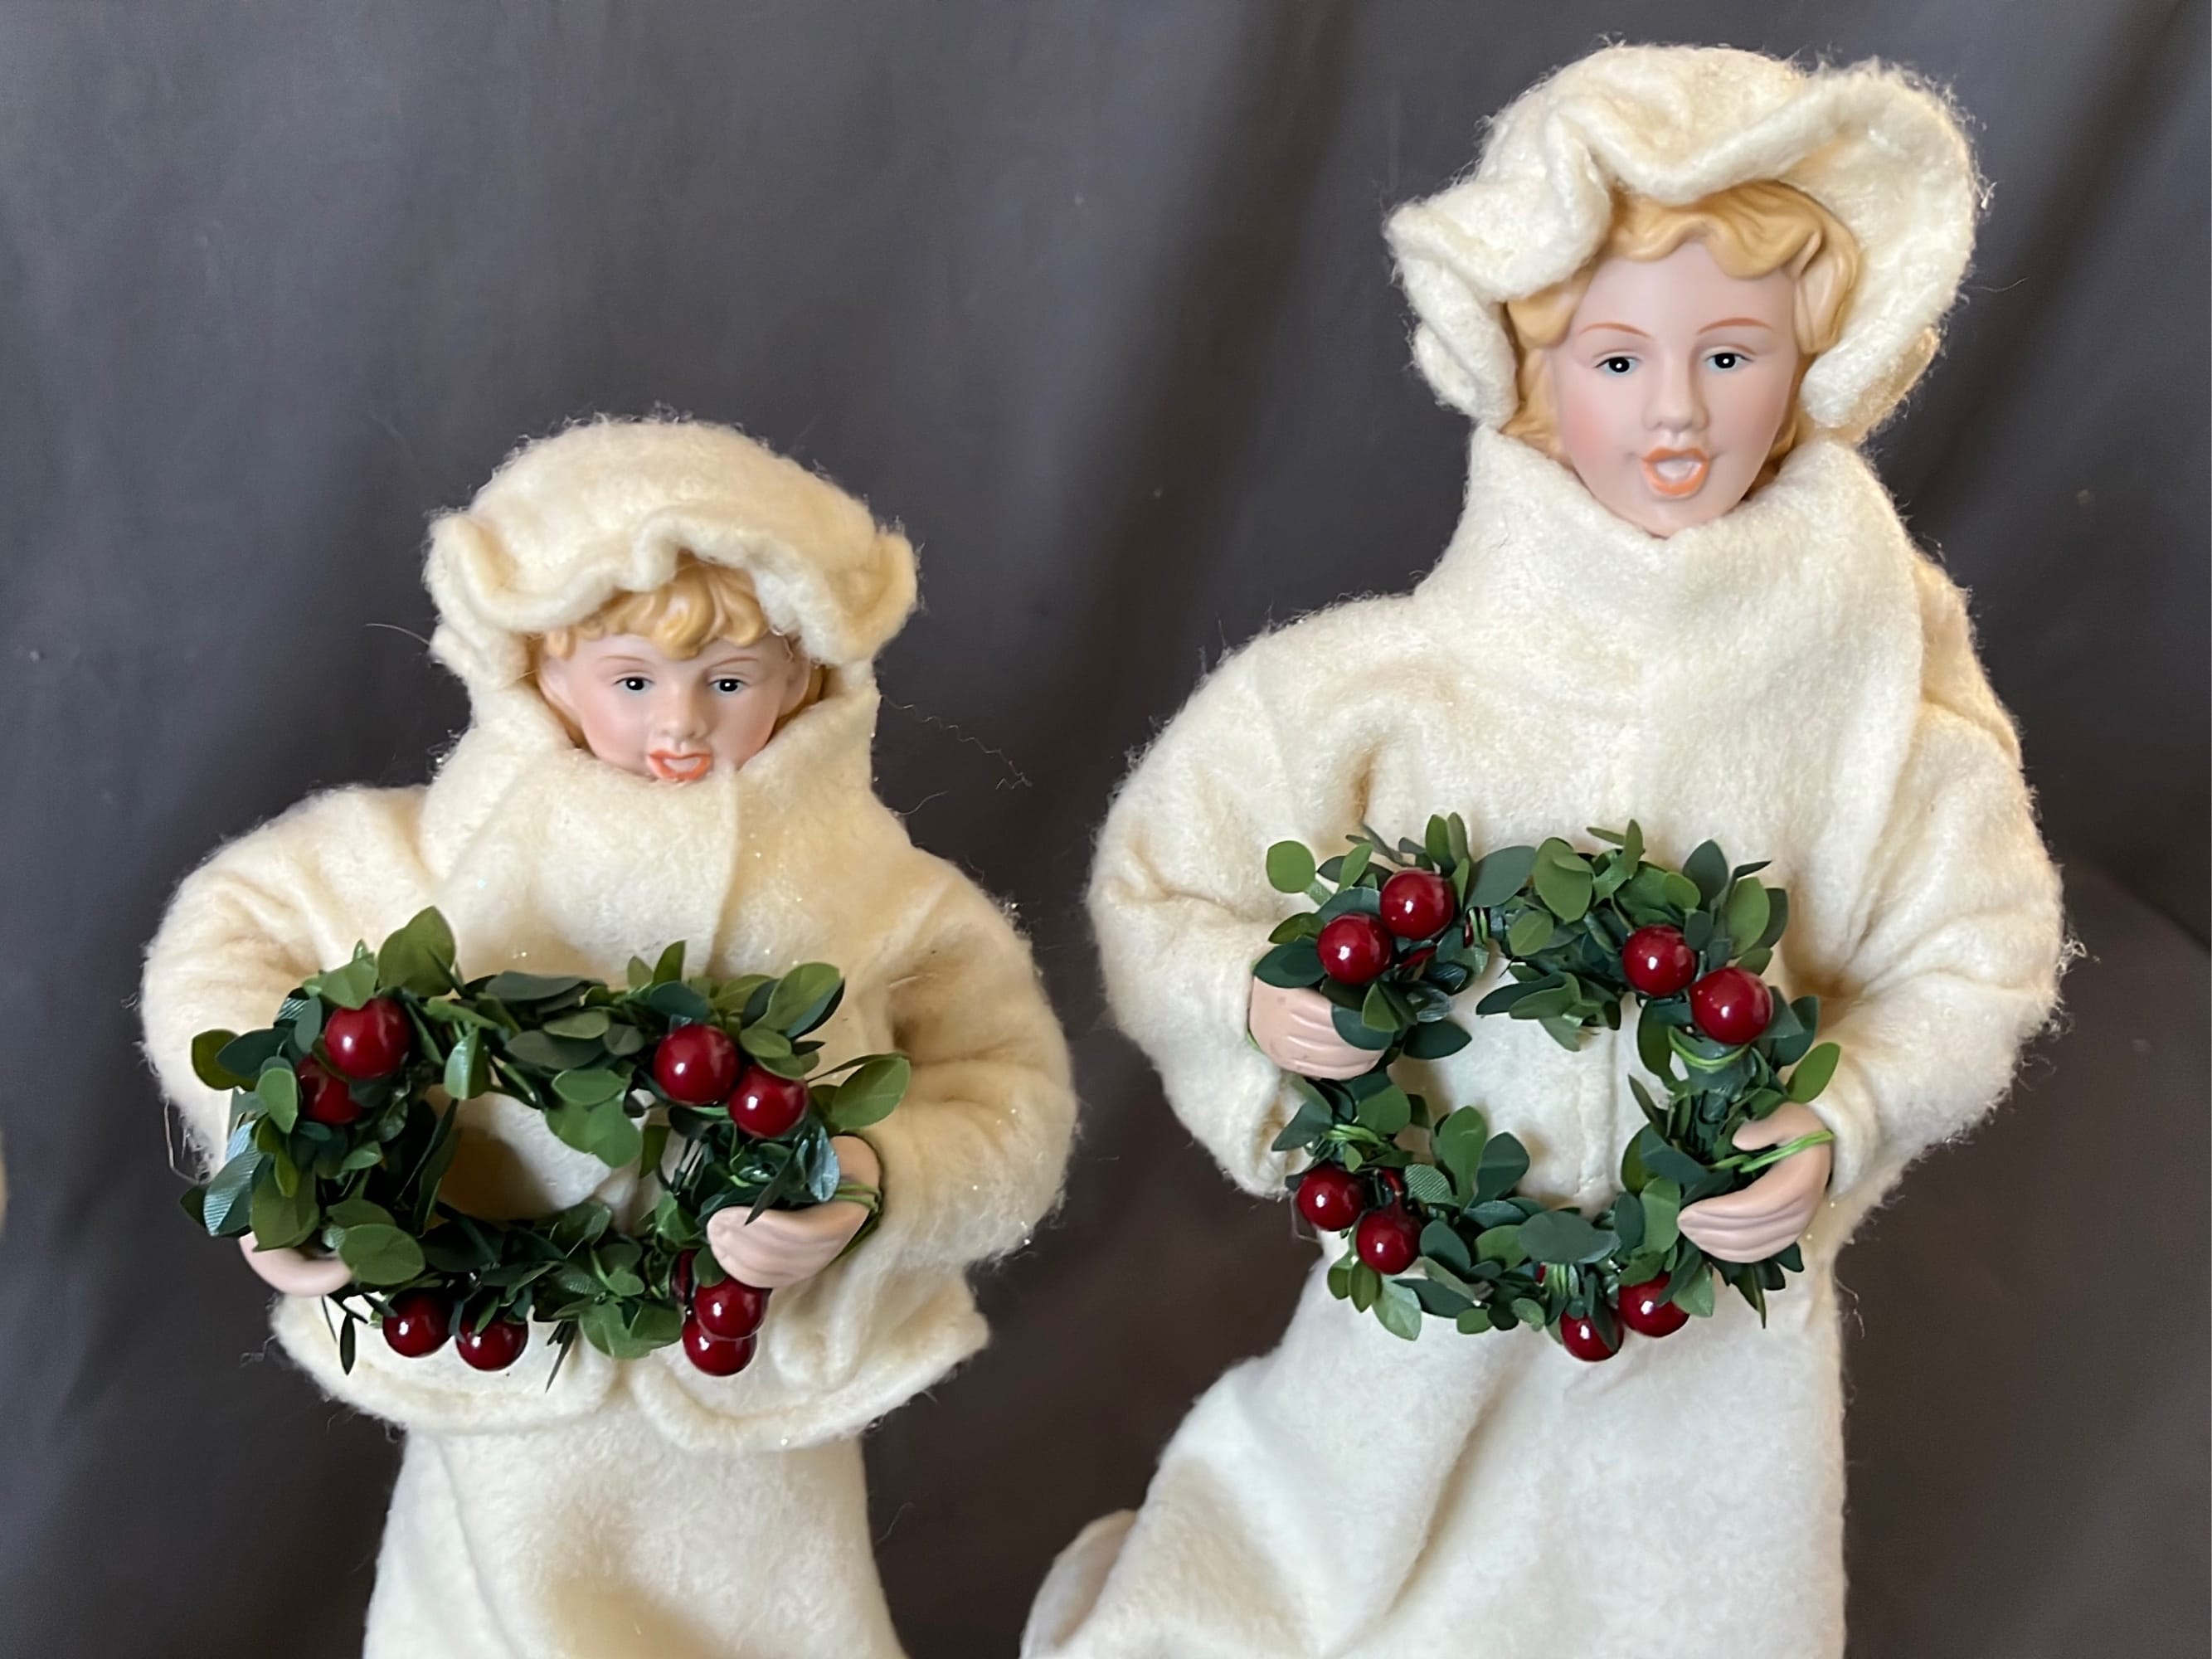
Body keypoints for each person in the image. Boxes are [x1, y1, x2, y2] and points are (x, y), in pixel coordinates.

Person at [1028, 45, 2064, 1659]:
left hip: (1706, 1309)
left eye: (1730, 353)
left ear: (1809, 363)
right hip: (1437, 1268)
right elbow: (1162, 879)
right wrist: (1252, 996)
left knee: (1686, 1589)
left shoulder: (1875, 708)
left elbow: (1978, 952)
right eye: (1616, 357)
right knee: (1320, 1552)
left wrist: (1841, 1111)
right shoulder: (1383, 690)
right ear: (1528, 367)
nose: (1675, 411)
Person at [141, 416, 1076, 1659]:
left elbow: (1012, 1103)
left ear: (808, 676)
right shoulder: (431, 861)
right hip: (505, 1376)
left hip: (755, 1387)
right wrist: (299, 1148)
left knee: (779, 1619)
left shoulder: (884, 902)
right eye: (632, 682)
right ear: (539, 669)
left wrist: (871, 1176)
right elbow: (224, 943)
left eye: (729, 682)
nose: (679, 725)